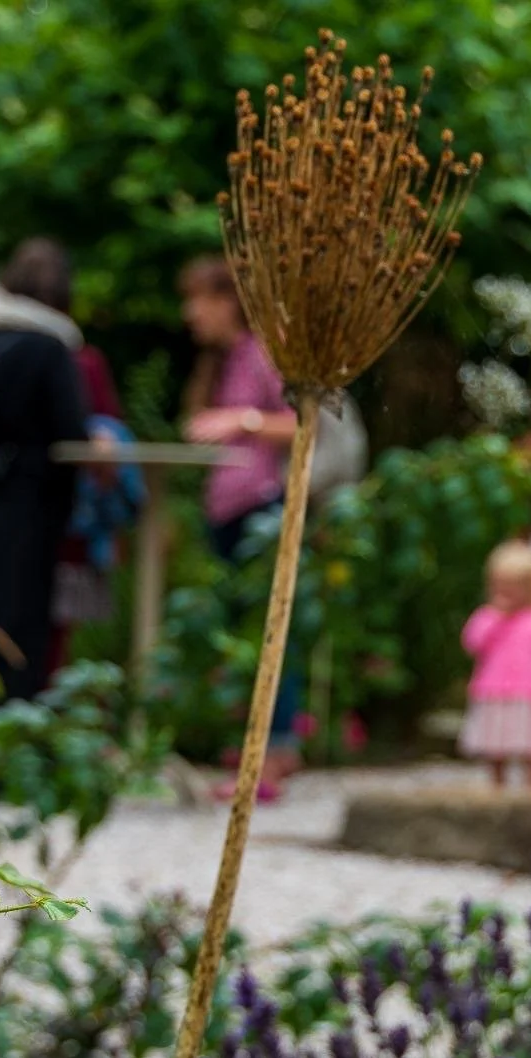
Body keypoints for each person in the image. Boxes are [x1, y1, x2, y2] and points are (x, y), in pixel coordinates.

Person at [179, 255, 300, 798]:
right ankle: (252, 752)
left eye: (199, 299)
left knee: (270, 630)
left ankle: (274, 754)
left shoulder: (263, 353)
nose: (191, 313)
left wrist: (242, 420)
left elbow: (303, 422)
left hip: (260, 509)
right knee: (242, 638)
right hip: (227, 513)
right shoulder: (224, 360)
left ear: (230, 301)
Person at [0, 239, 89, 700]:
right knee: (20, 613)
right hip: (28, 500)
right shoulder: (51, 345)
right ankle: (16, 727)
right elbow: (70, 430)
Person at [460, 540, 531, 789]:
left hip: (529, 695)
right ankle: (497, 785)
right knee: (495, 746)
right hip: (493, 692)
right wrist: (495, 617)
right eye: (501, 585)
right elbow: (472, 643)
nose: (506, 592)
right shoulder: (487, 616)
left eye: (514, 587)